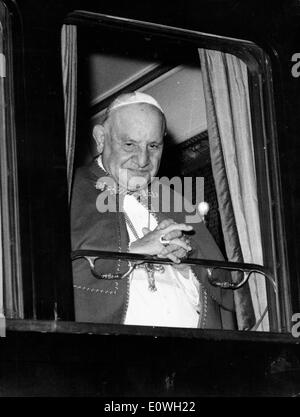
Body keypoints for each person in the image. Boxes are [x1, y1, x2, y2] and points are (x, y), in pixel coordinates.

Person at [71, 92, 235, 329]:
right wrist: (134, 252)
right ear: (101, 138)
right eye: (129, 144)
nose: (142, 160)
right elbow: (52, 285)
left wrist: (185, 267)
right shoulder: (69, 191)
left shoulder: (174, 200)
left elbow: (223, 292)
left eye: (153, 146)